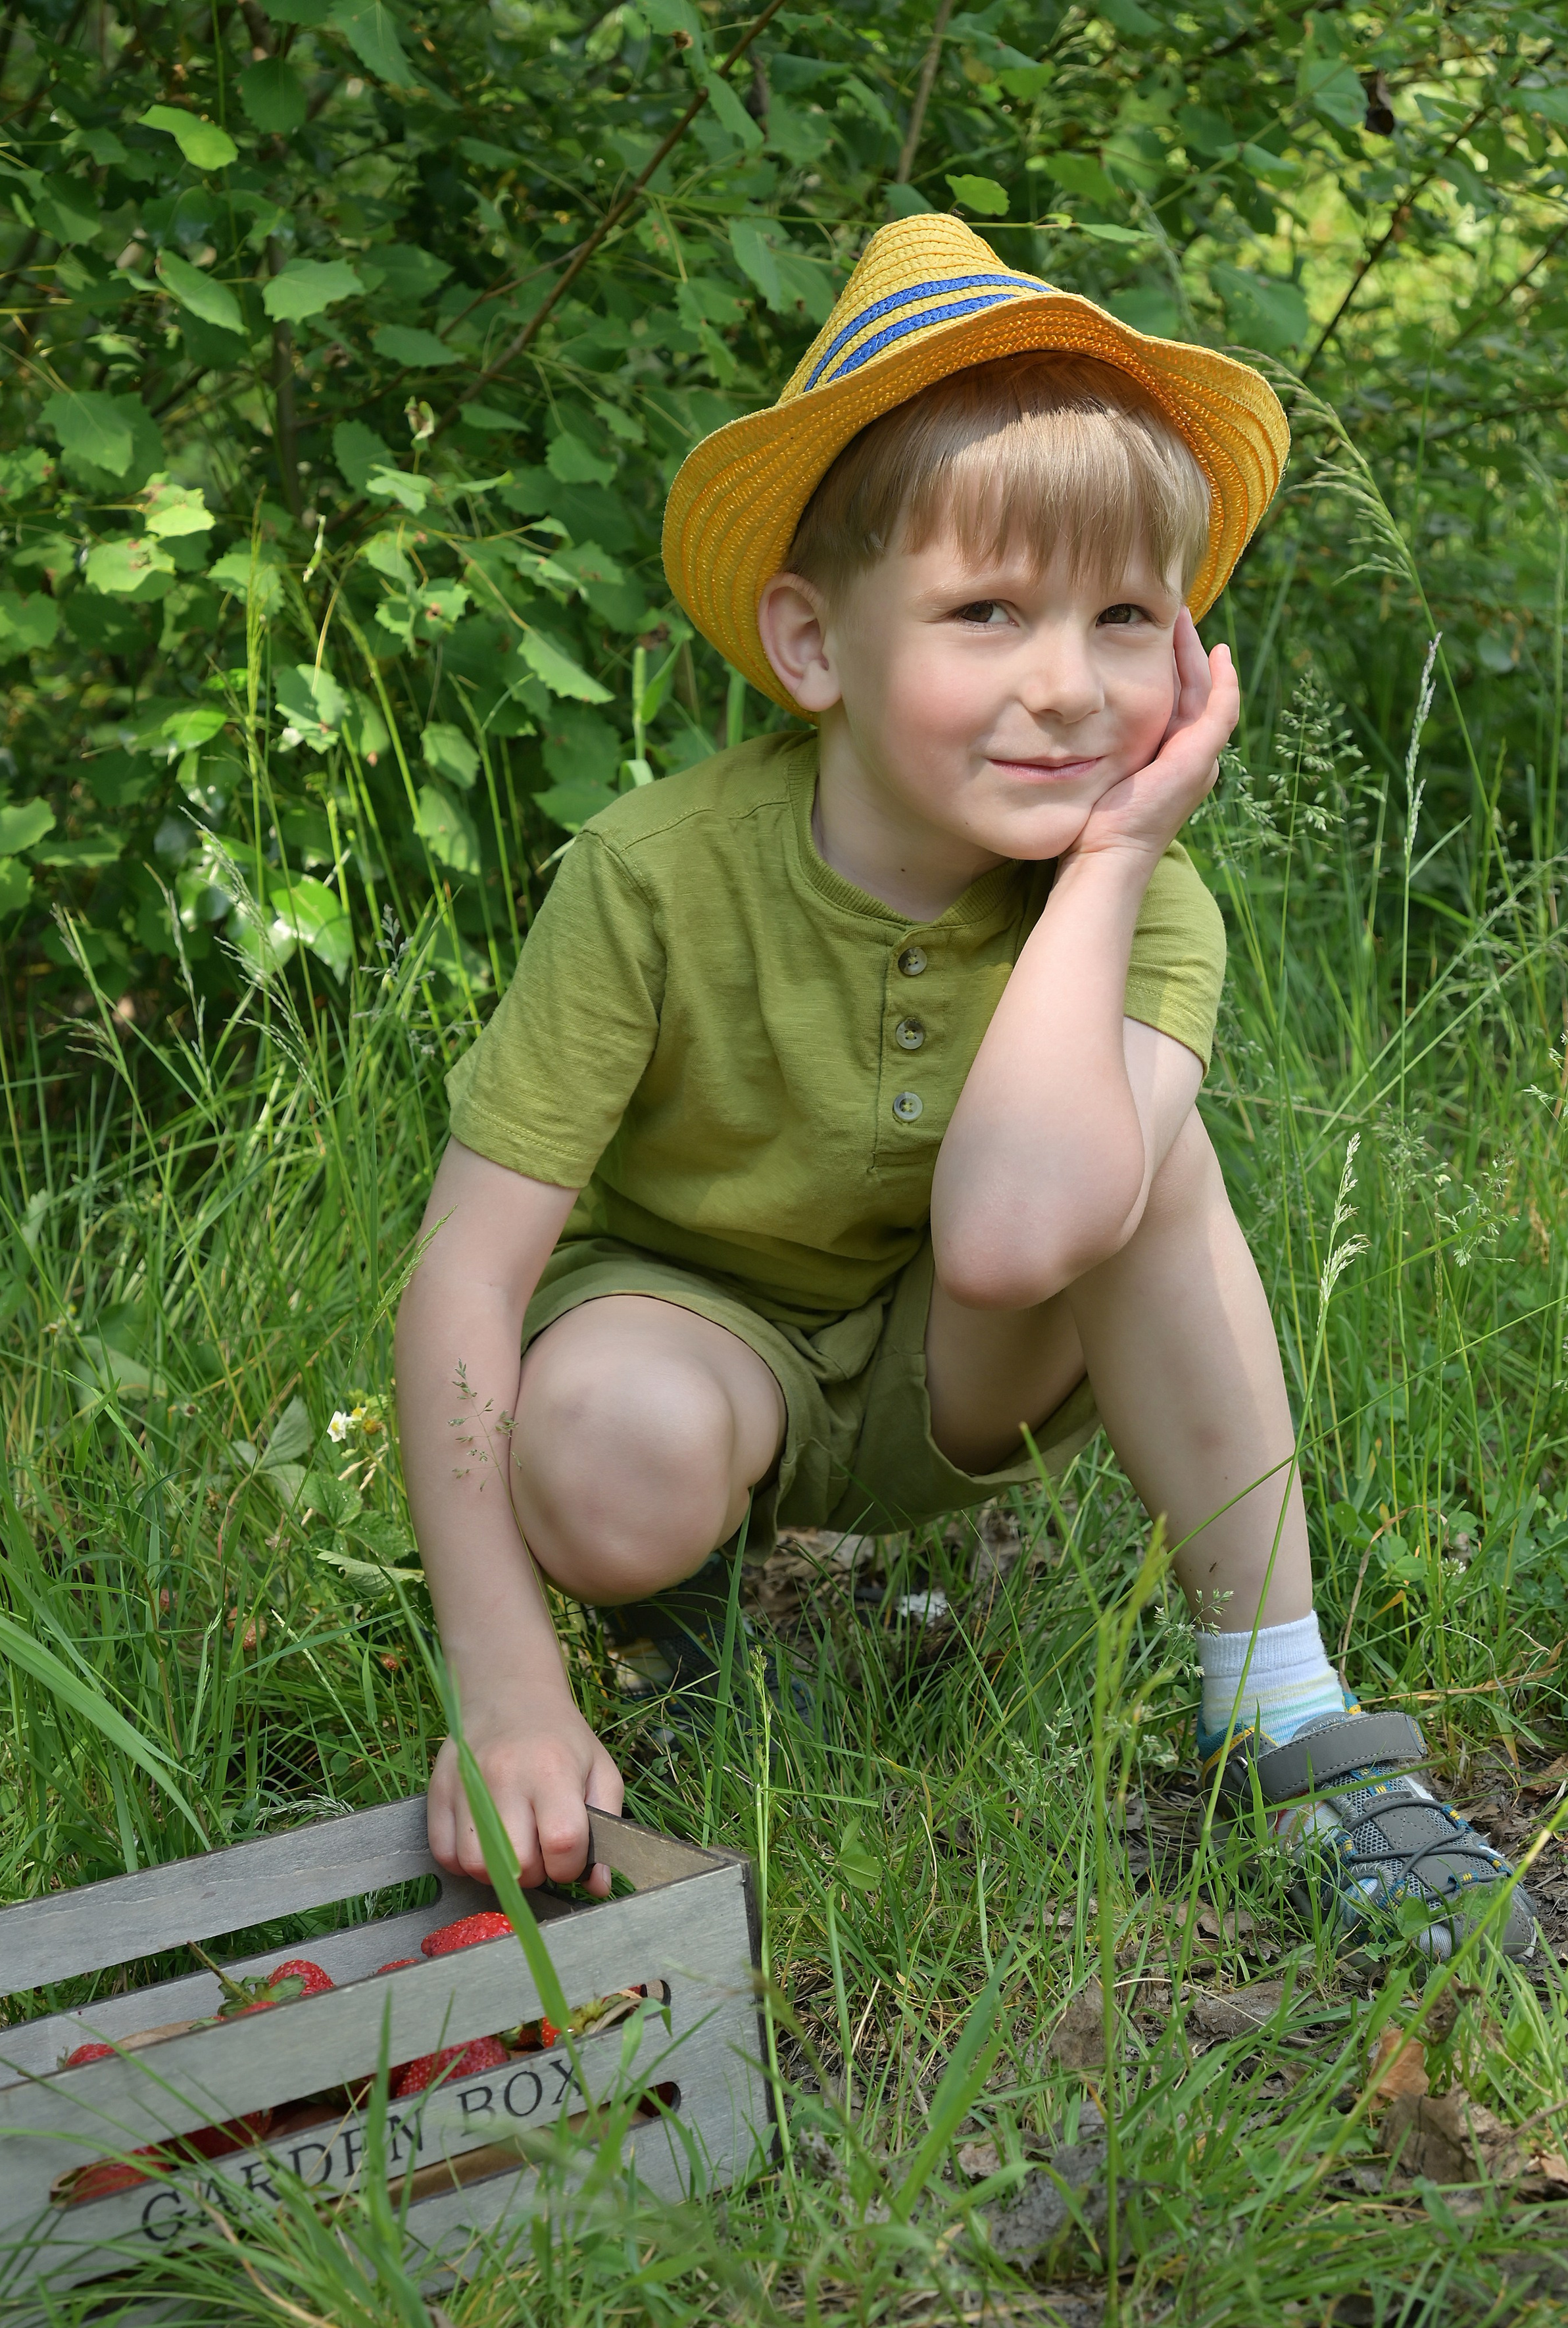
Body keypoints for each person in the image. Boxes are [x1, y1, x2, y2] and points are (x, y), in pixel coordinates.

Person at [395, 216, 1535, 1961]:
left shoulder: (1145, 898)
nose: (1067, 684)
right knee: (607, 1444)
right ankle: (674, 1627)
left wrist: (1111, 865)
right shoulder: (653, 874)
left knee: (1144, 1155)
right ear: (814, 641)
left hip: (968, 1366)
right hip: (700, 1337)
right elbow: (469, 1273)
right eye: (985, 610)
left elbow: (1013, 1238)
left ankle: (1282, 1713)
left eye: (1127, 617)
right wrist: (499, 1674)